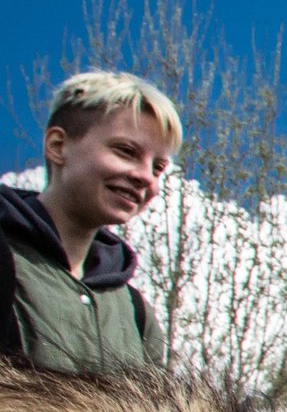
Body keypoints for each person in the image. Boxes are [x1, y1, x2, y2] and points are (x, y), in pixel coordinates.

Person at [0, 71, 181, 373]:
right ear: (58, 146)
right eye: (126, 151)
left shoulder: (137, 314)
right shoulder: (8, 263)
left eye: (158, 167)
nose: (145, 176)